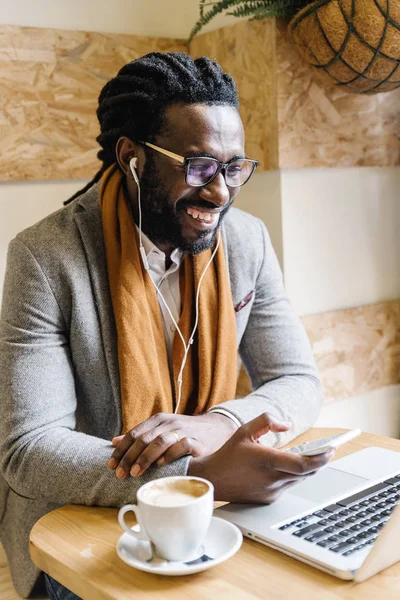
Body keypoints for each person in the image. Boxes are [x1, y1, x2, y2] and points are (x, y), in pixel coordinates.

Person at [0, 52, 332, 599]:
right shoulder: (45, 256)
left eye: (233, 169)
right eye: (199, 166)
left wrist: (221, 423)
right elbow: (29, 451)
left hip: (209, 512)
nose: (221, 192)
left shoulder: (246, 241)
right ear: (131, 158)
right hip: (76, 523)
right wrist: (193, 472)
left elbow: (300, 380)